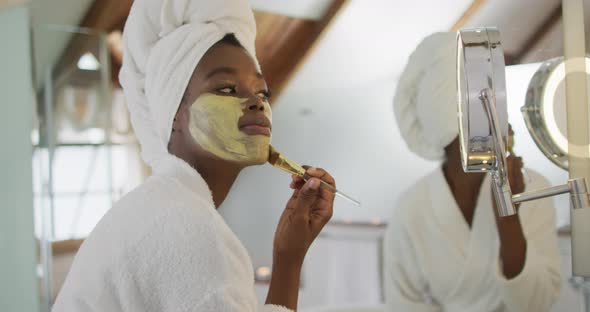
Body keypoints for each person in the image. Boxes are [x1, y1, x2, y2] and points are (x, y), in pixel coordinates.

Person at [52, 0, 335, 311]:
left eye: (262, 91)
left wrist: (288, 257)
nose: (255, 102)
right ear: (174, 114)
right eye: (227, 89)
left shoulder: (163, 206)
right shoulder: (189, 229)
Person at [383, 32, 561, 311]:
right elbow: (402, 304)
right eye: (483, 117)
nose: (503, 125)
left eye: (499, 111)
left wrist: (508, 214)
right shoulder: (412, 207)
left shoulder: (534, 188)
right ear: (449, 135)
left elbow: (536, 303)